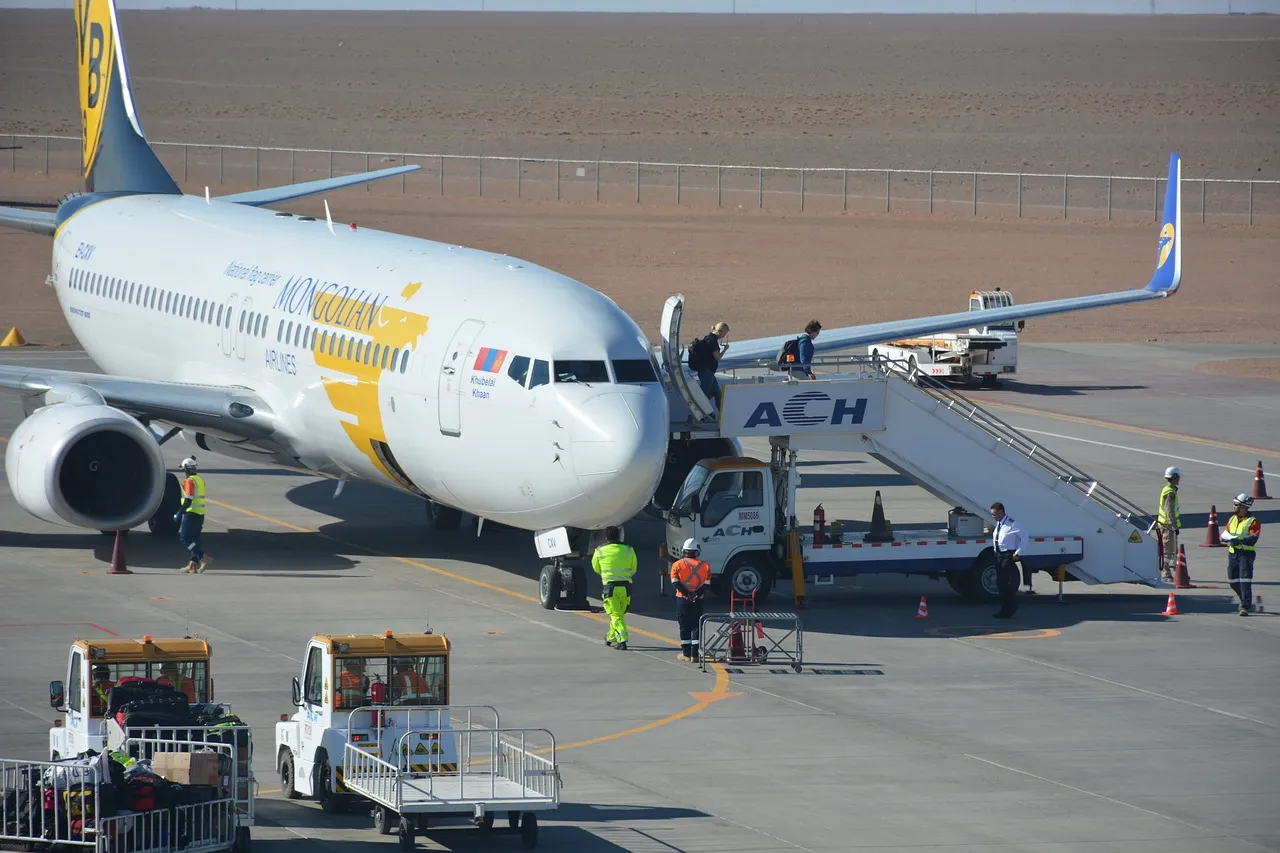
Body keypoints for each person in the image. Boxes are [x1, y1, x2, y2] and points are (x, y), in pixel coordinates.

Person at [591, 526, 637, 651]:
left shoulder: (600, 551)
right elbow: (633, 568)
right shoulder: (629, 549)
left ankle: (622, 640)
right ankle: (611, 637)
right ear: (619, 536)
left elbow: (596, 568)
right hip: (626, 587)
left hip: (610, 587)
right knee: (619, 614)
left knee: (615, 615)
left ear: (606, 537)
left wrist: (606, 574)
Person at [670, 539, 711, 662]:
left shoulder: (676, 565)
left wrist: (687, 595)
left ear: (683, 551)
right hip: (698, 601)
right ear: (697, 551)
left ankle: (686, 654)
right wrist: (696, 595)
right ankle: (695, 655)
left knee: (684, 626)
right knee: (696, 626)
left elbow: (675, 583)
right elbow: (707, 585)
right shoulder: (705, 565)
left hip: (682, 600)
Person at [1221, 493, 1261, 616]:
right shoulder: (1232, 519)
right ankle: (1244, 598)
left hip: (1246, 554)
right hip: (1233, 553)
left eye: (1237, 505)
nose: (1234, 507)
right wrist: (1224, 538)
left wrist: (1238, 539)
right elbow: (1225, 533)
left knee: (1245, 580)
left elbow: (1253, 538)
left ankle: (1245, 605)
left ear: (1244, 507)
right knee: (1232, 580)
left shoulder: (1253, 522)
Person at [176, 456, 212, 573]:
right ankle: (193, 564)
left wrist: (179, 513)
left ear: (186, 470)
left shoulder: (189, 481)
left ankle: (203, 557)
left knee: (185, 538)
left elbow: (188, 499)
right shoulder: (200, 480)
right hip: (200, 514)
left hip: (191, 513)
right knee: (195, 539)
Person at [990, 502, 1024, 619]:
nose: (993, 517)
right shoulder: (1000, 524)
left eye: (994, 514)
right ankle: (1007, 607)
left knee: (1004, 583)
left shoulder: (1012, 524)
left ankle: (1009, 607)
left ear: (1001, 512)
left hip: (1007, 556)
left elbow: (1025, 536)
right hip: (998, 556)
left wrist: (1018, 552)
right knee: (1000, 583)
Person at [687, 322, 730, 412]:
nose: (724, 336)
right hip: (707, 372)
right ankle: (693, 417)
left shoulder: (708, 338)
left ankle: (724, 417)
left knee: (718, 394)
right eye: (724, 333)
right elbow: (717, 358)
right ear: (719, 331)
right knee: (703, 395)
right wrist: (725, 350)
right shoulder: (712, 341)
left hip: (707, 372)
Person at [1156, 466, 1181, 582]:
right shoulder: (1170, 492)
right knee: (1167, 550)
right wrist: (1174, 525)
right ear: (1174, 477)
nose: (1179, 479)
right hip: (1167, 526)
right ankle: (1165, 573)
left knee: (1172, 550)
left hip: (1166, 525)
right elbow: (1169, 510)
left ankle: (1179, 572)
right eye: (1178, 477)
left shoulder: (1168, 489)